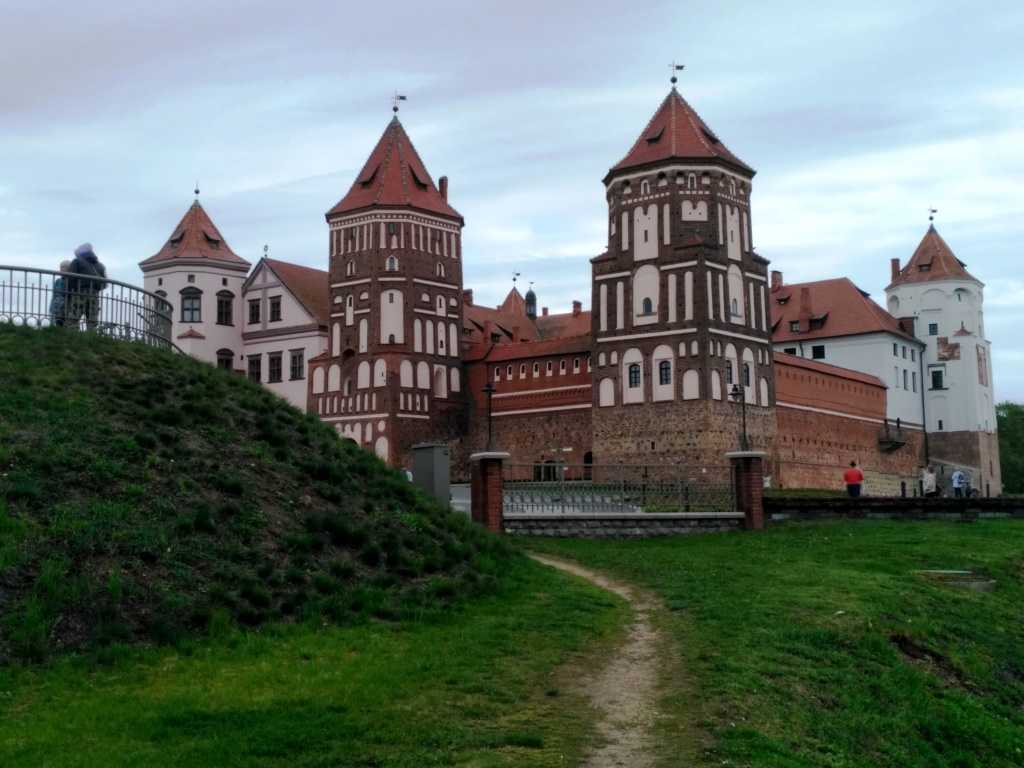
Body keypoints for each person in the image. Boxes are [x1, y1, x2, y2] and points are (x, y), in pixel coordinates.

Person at [66, 243, 107, 330]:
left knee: (73, 318)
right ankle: (91, 338)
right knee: (92, 321)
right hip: (94, 294)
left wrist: (71, 291)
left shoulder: (77, 261)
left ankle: (72, 337)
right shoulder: (100, 266)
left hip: (79, 292)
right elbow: (104, 283)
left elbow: (70, 278)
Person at [49, 260, 72, 327]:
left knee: (64, 322)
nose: (61, 269)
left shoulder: (70, 281)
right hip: (57, 305)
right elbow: (54, 294)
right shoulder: (58, 281)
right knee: (58, 322)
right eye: (61, 267)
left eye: (63, 267)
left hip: (66, 305)